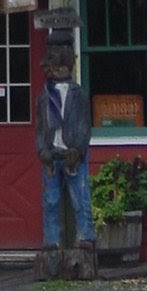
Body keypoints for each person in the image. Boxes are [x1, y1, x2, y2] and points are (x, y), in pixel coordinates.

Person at [35, 30, 95, 249]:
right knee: (50, 199)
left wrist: (78, 150)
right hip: (52, 152)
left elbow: (83, 125)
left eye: (53, 65)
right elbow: (41, 126)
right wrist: (42, 149)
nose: (49, 70)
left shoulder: (77, 94)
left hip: (72, 153)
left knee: (79, 197)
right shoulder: (44, 96)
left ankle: (86, 235)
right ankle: (52, 240)